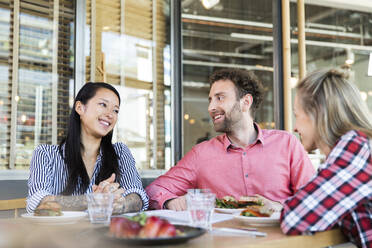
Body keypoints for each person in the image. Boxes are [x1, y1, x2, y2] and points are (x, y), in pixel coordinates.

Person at [145, 68, 315, 210]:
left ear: (245, 102)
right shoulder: (201, 154)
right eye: (210, 100)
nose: (211, 107)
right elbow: (153, 191)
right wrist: (171, 202)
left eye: (220, 98)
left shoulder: (287, 144)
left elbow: (312, 200)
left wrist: (277, 207)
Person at [278, 69, 372, 248]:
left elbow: (296, 218)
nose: (295, 127)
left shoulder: (355, 147)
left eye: (297, 115)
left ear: (318, 113)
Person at [27, 82, 148, 213]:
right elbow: (39, 202)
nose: (110, 114)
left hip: (106, 232)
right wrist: (93, 200)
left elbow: (137, 196)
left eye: (115, 110)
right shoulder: (45, 154)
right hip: (60, 233)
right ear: (80, 108)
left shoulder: (120, 152)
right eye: (103, 105)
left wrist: (120, 205)